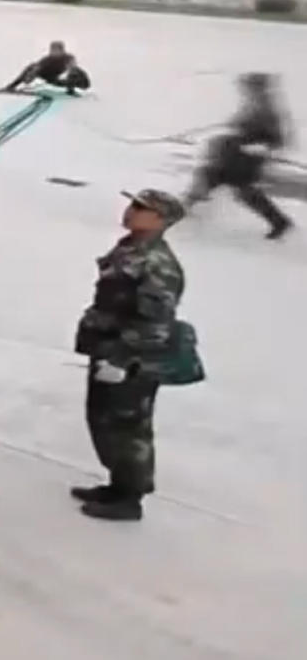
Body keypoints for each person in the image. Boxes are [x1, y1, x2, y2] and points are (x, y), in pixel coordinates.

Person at [72, 188, 190, 522]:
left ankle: (130, 498)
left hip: (133, 357)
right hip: (109, 347)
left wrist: (122, 359)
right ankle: (118, 484)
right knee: (103, 420)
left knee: (129, 428)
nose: (131, 210)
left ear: (161, 220)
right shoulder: (130, 248)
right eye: (133, 204)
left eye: (141, 207)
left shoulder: (158, 264)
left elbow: (156, 323)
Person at [187, 72, 292, 240]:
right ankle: (184, 210)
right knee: (211, 178)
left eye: (249, 88)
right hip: (232, 158)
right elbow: (240, 128)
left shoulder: (268, 112)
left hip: (246, 162)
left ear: (259, 89)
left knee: (234, 187)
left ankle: (280, 222)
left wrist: (254, 147)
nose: (245, 91)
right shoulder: (252, 106)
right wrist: (230, 129)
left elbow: (277, 141)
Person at [7, 40, 91, 94]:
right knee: (31, 66)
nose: (53, 52)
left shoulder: (68, 58)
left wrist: (76, 83)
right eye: (52, 50)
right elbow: (35, 69)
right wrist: (28, 79)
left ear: (62, 50)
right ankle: (11, 87)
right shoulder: (47, 59)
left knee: (75, 71)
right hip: (43, 75)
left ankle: (72, 90)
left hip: (54, 79)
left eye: (56, 50)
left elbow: (72, 68)